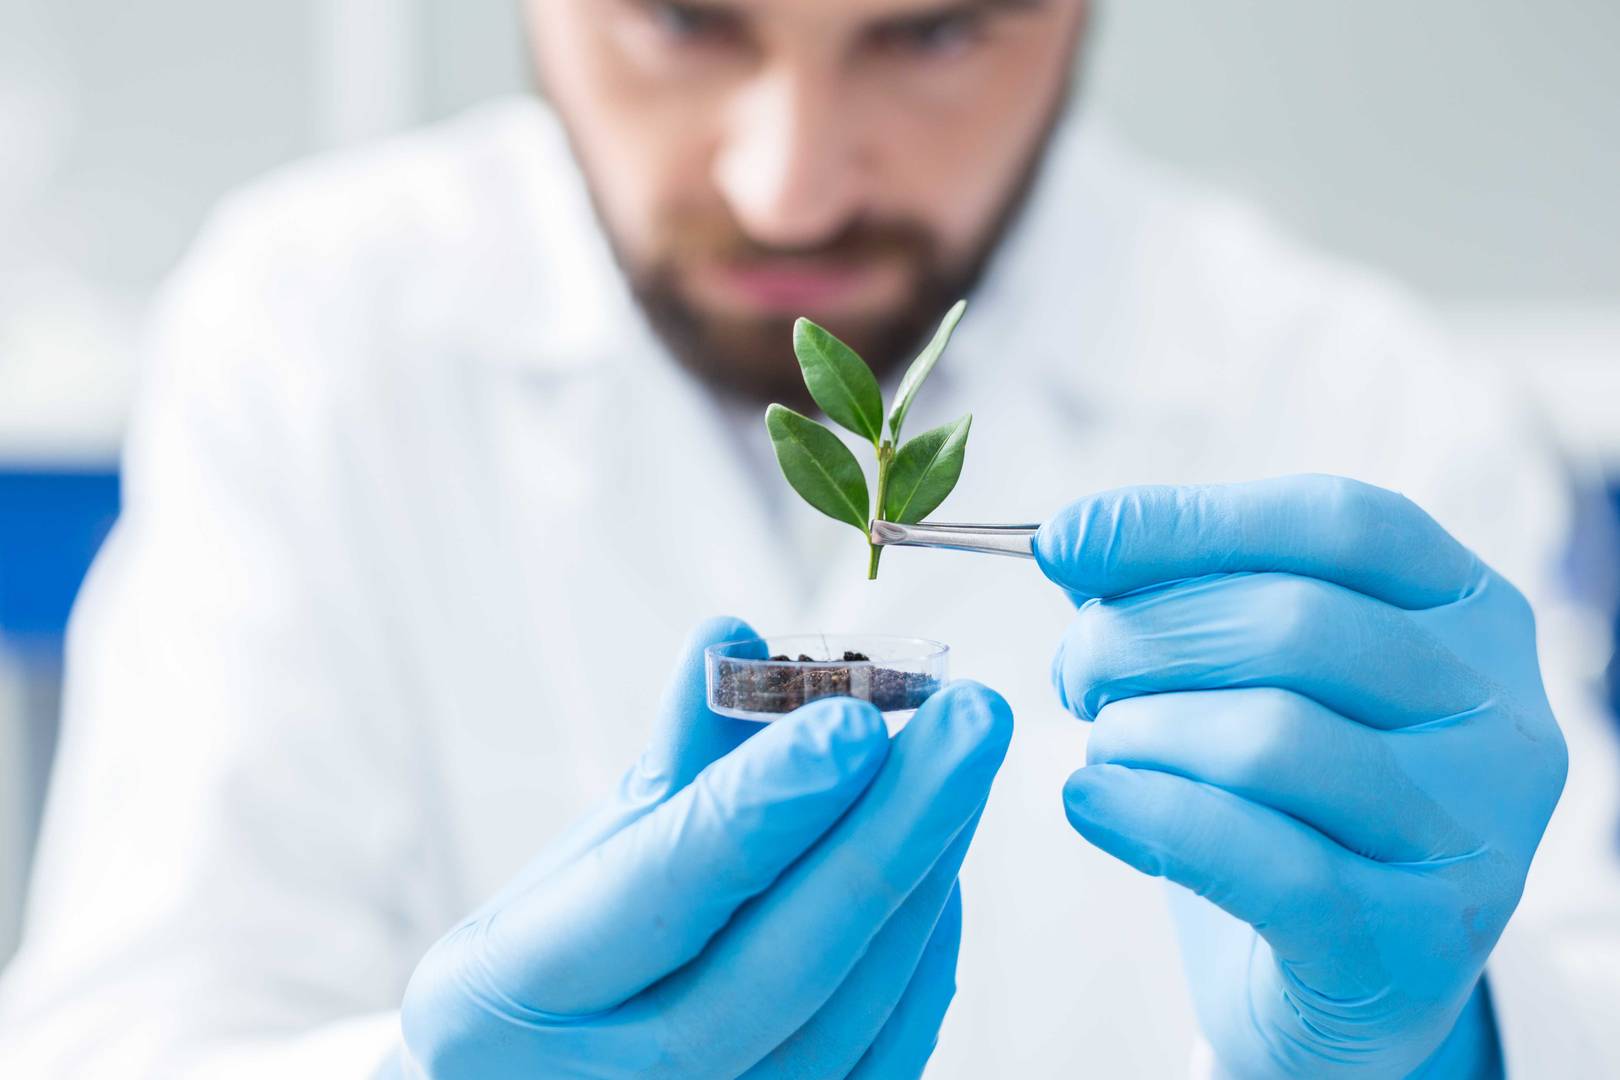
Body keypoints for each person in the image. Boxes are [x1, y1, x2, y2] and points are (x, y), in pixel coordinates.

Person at [2, 0, 1618, 1075]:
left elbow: (1578, 999)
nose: (787, 190)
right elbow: (139, 1034)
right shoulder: (314, 329)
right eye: (682, 18)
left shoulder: (1361, 393)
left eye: (928, 30)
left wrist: (1437, 1038)